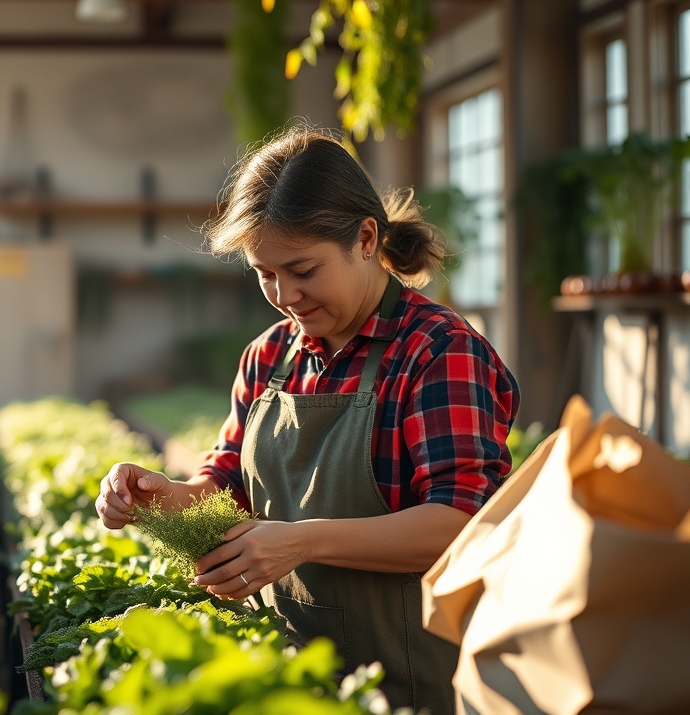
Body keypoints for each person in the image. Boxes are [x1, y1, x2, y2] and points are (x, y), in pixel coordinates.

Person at [94, 127, 519, 714]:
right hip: (286, 679)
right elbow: (230, 490)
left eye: (303, 270)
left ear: (366, 239)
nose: (285, 294)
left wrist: (300, 541)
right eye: (265, 274)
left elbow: (464, 525)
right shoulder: (270, 356)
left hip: (410, 684)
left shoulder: (437, 352)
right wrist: (161, 495)